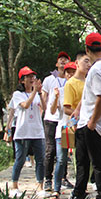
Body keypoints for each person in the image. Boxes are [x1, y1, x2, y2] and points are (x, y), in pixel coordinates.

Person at [65, 33, 101, 199]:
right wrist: (78, 110)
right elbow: (90, 95)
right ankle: (79, 195)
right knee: (82, 162)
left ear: (87, 49)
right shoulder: (99, 67)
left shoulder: (98, 69)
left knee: (98, 163)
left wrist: (92, 122)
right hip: (85, 123)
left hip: (94, 125)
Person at [8, 66, 48, 198]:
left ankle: (40, 186)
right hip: (23, 132)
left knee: (40, 160)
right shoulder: (17, 95)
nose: (32, 79)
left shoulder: (36, 94)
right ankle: (14, 186)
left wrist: (40, 93)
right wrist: (34, 92)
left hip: (37, 132)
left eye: (33, 77)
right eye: (28, 77)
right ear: (22, 80)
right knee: (20, 159)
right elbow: (25, 105)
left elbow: (44, 108)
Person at [41, 51, 70, 191]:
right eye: (61, 59)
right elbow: (44, 98)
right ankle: (48, 179)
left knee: (64, 151)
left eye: (66, 59)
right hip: (50, 118)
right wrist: (44, 112)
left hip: (65, 120)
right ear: (56, 63)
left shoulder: (70, 80)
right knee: (50, 149)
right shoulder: (49, 80)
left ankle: (63, 178)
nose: (63, 61)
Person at [49, 60, 78, 199]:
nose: (70, 74)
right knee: (61, 160)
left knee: (80, 160)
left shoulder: (81, 88)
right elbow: (52, 111)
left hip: (78, 128)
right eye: (68, 72)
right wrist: (55, 98)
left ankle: (80, 190)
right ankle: (56, 189)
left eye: (73, 72)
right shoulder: (59, 91)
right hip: (63, 129)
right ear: (65, 74)